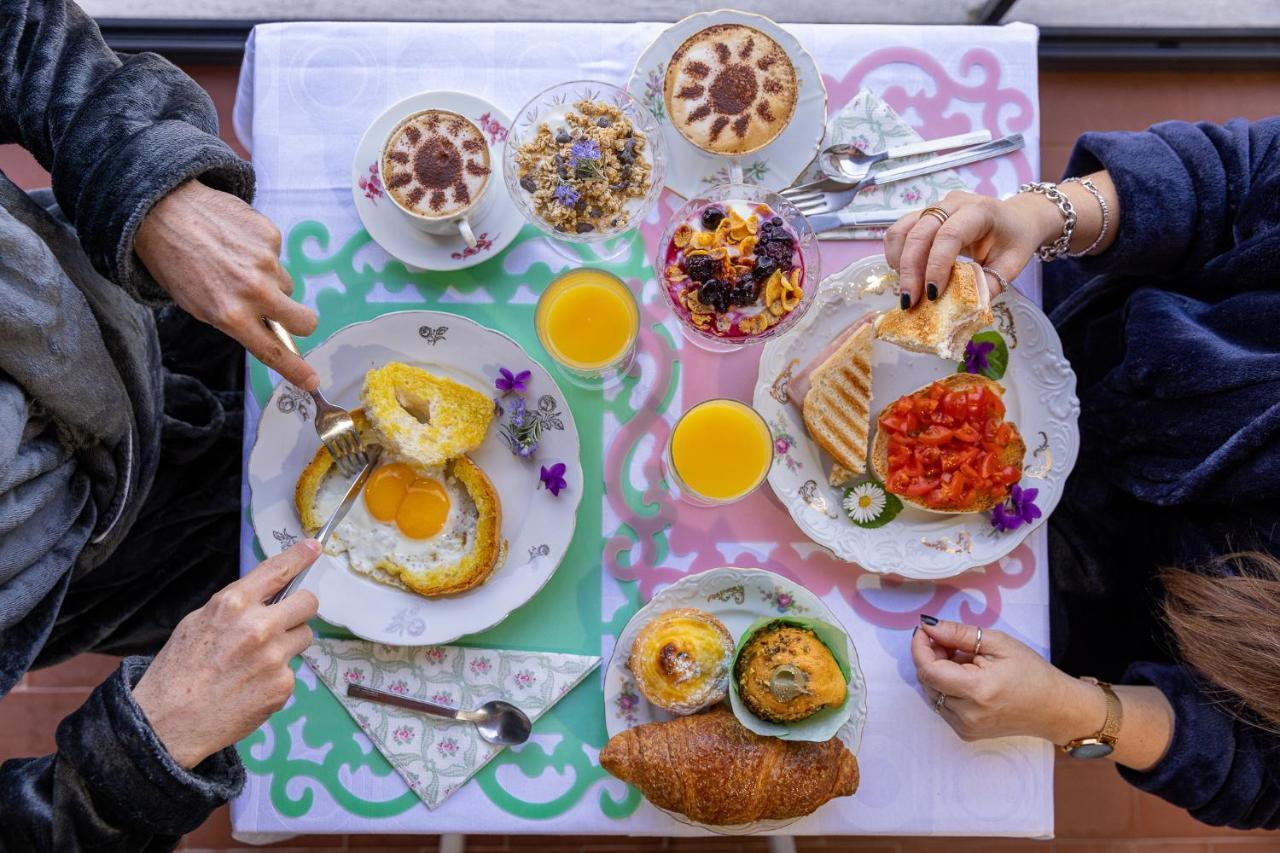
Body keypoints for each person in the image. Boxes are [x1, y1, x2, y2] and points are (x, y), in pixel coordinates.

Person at [886, 116, 1280, 828]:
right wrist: (1041, 213)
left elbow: (1263, 772)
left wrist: (1078, 711)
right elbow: (1238, 176)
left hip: (1088, 609)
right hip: (1055, 327)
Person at [1, 2, 332, 848]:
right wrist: (141, 750)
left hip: (130, 294)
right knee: (345, 629)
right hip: (109, 566)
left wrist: (150, 192)